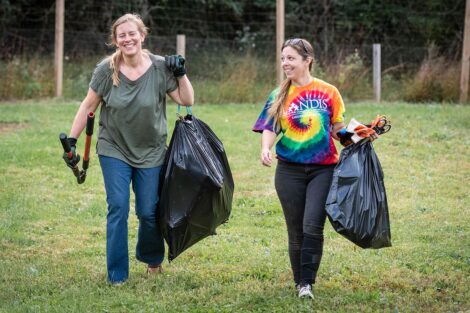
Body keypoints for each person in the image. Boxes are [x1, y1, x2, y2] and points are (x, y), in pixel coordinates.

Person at [62, 13, 194, 284]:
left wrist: (181, 73)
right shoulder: (105, 69)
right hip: (114, 148)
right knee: (118, 207)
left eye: (132, 33)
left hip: (152, 150)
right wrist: (72, 142)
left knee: (148, 211)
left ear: (142, 36)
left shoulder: (160, 67)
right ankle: (117, 274)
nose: (127, 39)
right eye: (121, 35)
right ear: (115, 40)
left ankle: (152, 258)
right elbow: (88, 106)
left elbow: (186, 100)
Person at [252, 38, 377, 299]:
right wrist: (265, 148)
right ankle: (300, 283)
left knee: (312, 227)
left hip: (323, 170)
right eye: (283, 58)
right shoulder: (279, 94)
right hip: (288, 171)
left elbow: (336, 130)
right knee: (295, 229)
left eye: (291, 58)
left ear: (307, 60)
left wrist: (360, 134)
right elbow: (269, 127)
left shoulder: (329, 91)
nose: (285, 63)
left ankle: (307, 282)